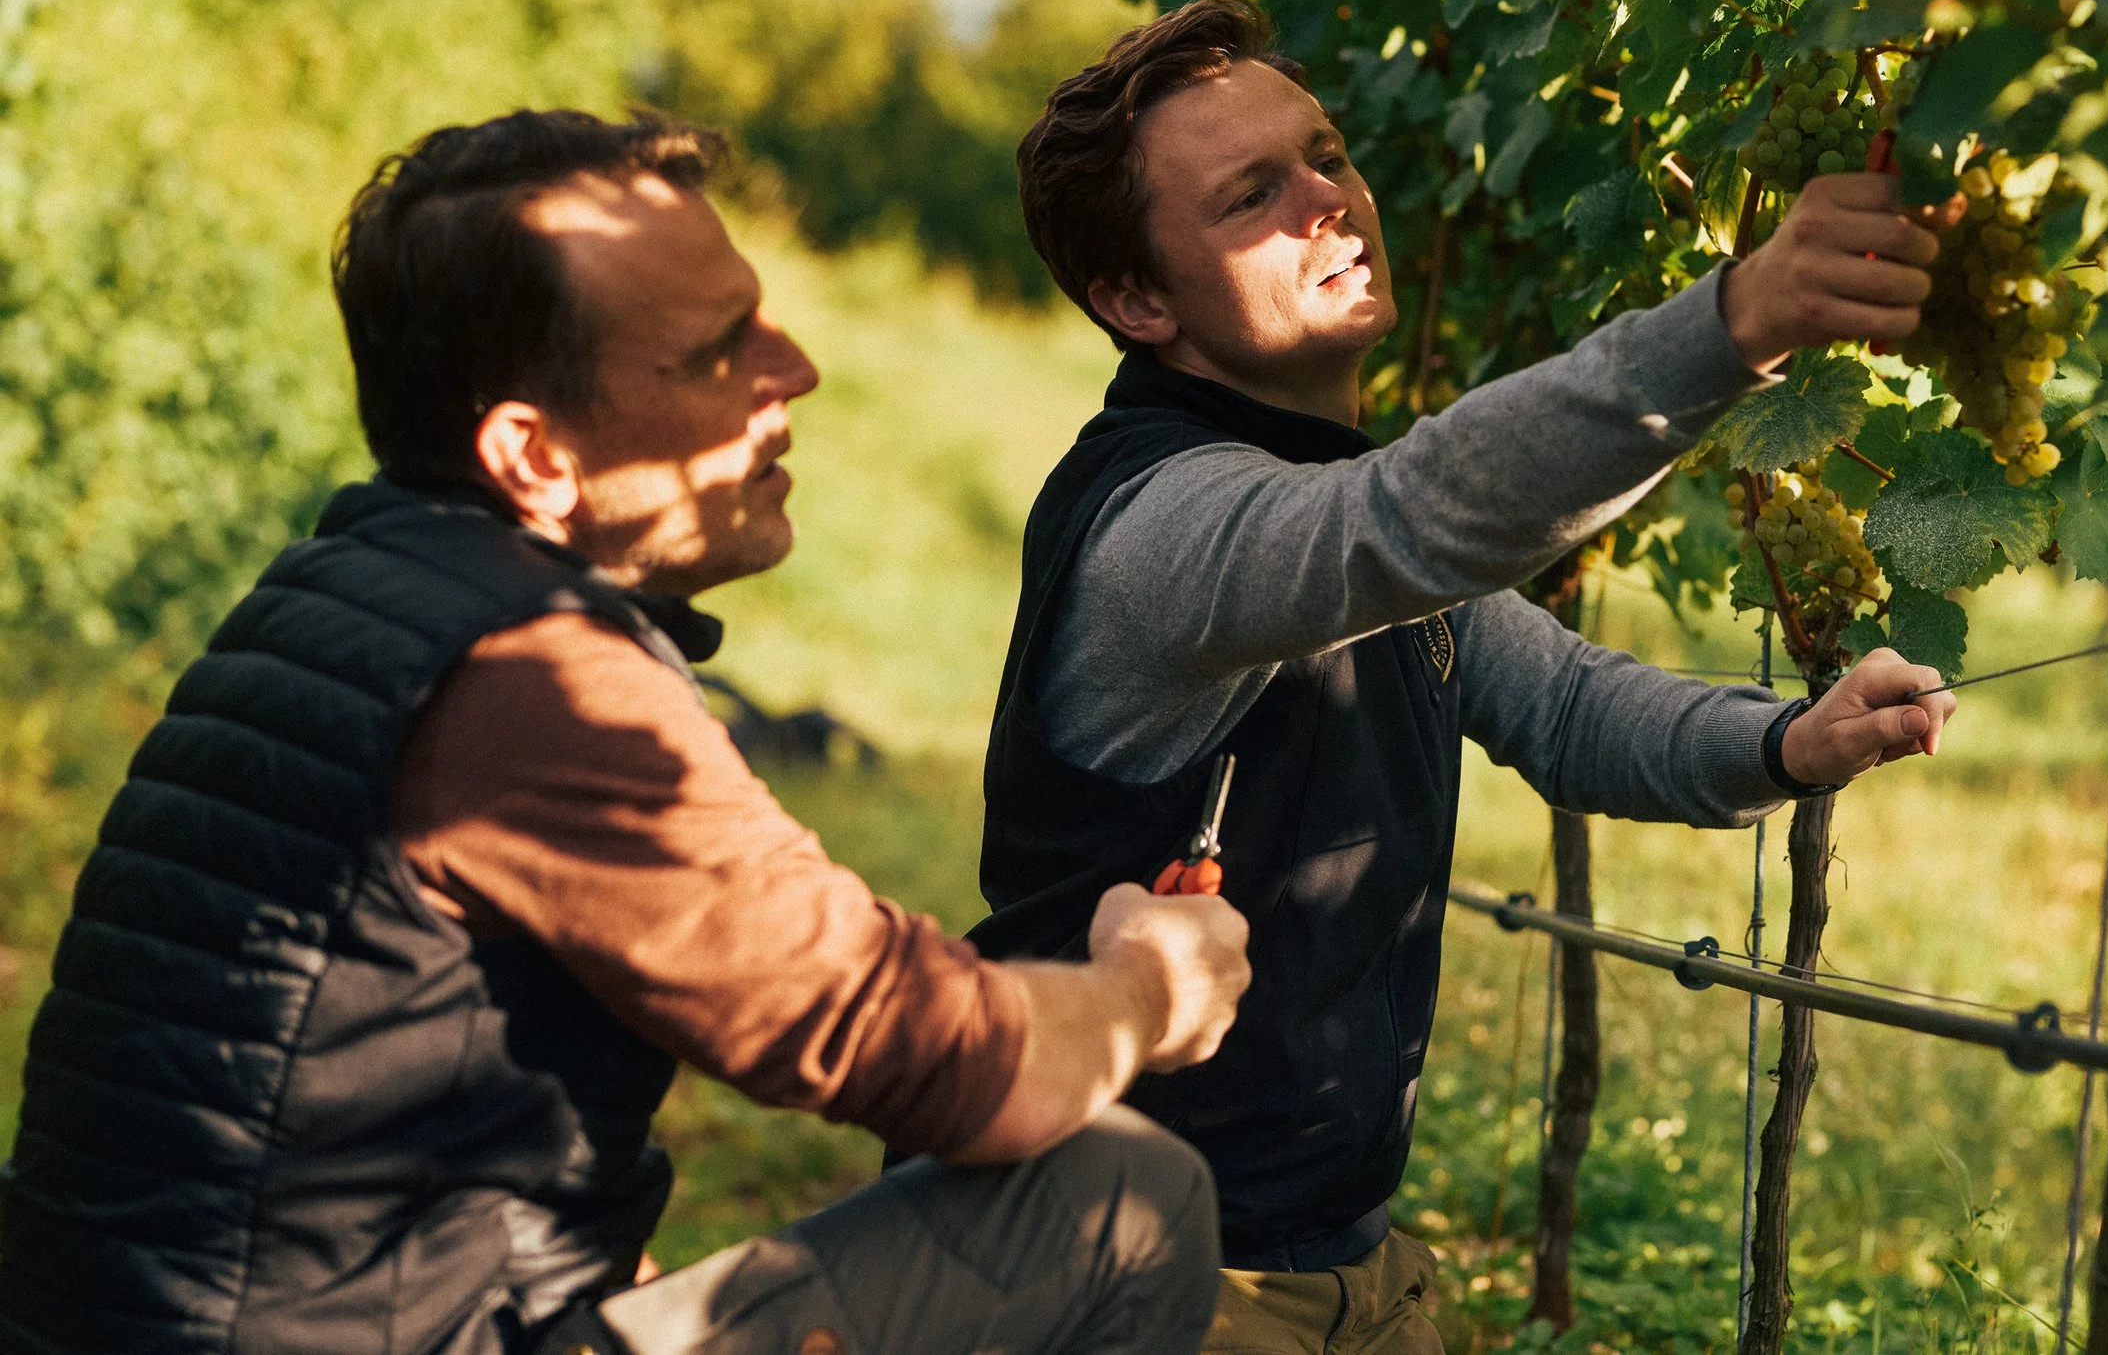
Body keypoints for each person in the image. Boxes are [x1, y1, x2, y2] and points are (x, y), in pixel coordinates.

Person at [0, 111, 1252, 1355]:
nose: (795, 370)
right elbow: (938, 1056)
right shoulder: (539, 683)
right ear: (532, 456)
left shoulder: (342, 595)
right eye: (719, 353)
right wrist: (1150, 987)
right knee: (1123, 1204)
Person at [973, 0, 1961, 1353]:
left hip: (1344, 1263)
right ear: (1139, 300)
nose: (1330, 200)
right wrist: (1737, 324)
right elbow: (1412, 517)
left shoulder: (1318, 504)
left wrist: (1791, 744)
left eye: (1323, 155)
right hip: (1148, 1278)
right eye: (1253, 194)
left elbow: (1555, 700)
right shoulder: (1170, 530)